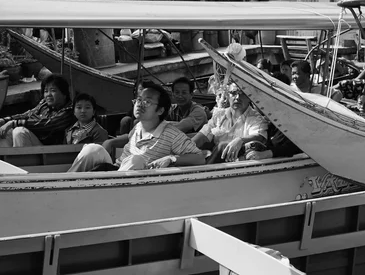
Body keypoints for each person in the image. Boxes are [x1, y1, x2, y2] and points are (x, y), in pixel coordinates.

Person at [68, 83, 204, 172]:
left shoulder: (171, 133)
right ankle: (65, 184)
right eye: (139, 100)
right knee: (94, 149)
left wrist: (171, 159)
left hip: (139, 185)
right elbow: (128, 137)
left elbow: (199, 158)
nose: (140, 104)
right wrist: (111, 142)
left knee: (137, 159)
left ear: (160, 110)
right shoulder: (138, 127)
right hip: (118, 170)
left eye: (147, 101)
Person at [191, 83, 268, 164]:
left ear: (249, 98)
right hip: (217, 160)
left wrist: (240, 140)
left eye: (242, 94)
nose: (237, 97)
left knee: (222, 146)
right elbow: (202, 136)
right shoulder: (219, 115)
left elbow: (259, 136)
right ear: (228, 96)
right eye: (233, 93)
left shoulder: (256, 118)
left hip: (239, 164)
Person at [0, 74, 74, 147]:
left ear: (64, 94)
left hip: (52, 152)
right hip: (36, 144)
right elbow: (27, 114)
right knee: (4, 131)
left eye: (53, 91)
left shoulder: (69, 110)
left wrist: (14, 123)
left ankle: (19, 158)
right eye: (46, 91)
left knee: (20, 131)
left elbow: (46, 124)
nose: (48, 94)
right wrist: (5, 120)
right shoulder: (45, 104)